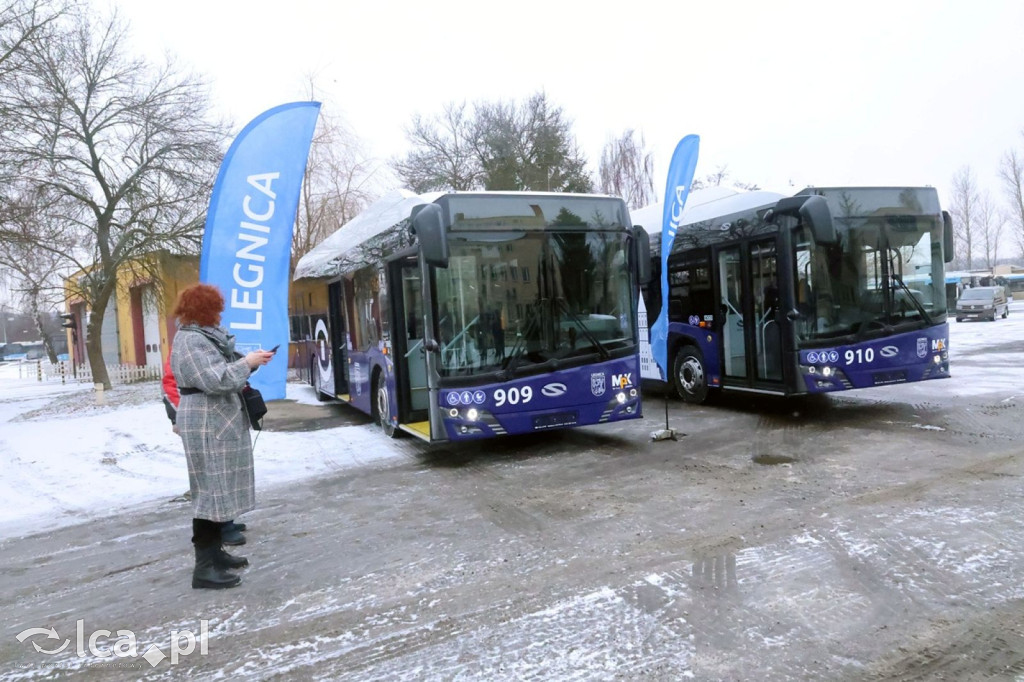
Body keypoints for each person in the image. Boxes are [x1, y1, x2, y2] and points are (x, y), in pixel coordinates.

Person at [170, 283, 274, 589]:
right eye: (215, 308)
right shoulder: (191, 341)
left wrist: (246, 362)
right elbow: (215, 380)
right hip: (206, 421)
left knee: (217, 490)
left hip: (213, 420)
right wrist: (247, 363)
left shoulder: (202, 338)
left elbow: (221, 372)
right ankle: (204, 568)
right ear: (203, 310)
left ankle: (215, 554)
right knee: (209, 493)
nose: (219, 314)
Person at [162, 351, 248, 545]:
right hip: (197, 416)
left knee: (225, 470)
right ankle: (220, 527)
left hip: (217, 414)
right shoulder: (187, 346)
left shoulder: (210, 343)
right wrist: (177, 417)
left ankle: (227, 519)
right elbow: (170, 385)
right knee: (212, 473)